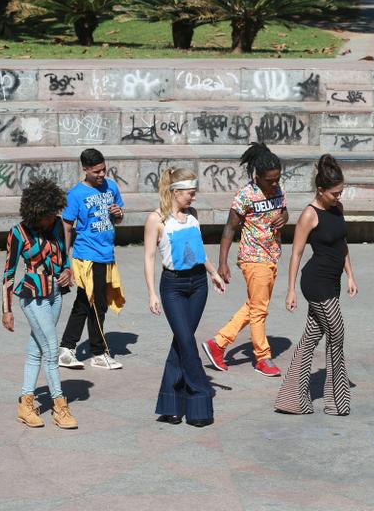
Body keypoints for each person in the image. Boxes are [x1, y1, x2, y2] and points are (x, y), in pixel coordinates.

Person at [275, 155, 357, 416]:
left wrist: (350, 275)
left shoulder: (338, 209)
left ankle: (291, 399)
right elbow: (296, 253)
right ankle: (336, 401)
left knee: (311, 337)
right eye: (334, 193)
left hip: (333, 281)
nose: (338, 197)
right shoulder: (309, 215)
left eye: (340, 192)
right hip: (315, 282)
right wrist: (289, 290)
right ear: (320, 190)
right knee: (337, 332)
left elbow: (342, 244)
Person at [143, 167, 226, 427]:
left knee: (182, 343)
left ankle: (171, 406)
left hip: (198, 284)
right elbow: (149, 257)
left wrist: (213, 273)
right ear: (176, 192)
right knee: (187, 343)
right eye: (190, 193)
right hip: (173, 287)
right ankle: (200, 402)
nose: (193, 197)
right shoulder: (156, 219)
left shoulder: (193, 216)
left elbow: (198, 251)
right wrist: (152, 293)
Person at [202, 142, 288, 377]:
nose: (274, 184)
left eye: (277, 179)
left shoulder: (278, 189)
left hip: (272, 255)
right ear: (257, 176)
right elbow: (229, 229)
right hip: (253, 257)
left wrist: (284, 218)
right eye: (269, 180)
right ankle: (263, 357)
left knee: (254, 305)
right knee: (259, 310)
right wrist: (222, 263)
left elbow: (283, 209)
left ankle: (217, 344)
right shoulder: (245, 196)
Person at [2, 179, 78, 429]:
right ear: (35, 212)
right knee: (52, 348)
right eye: (47, 215)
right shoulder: (18, 233)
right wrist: (7, 310)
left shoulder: (57, 226)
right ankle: (59, 406)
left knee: (37, 348)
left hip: (55, 294)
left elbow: (64, 256)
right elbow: (9, 273)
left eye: (54, 214)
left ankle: (25, 403)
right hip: (32, 297)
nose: (52, 219)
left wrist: (67, 271)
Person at [58, 148, 126, 370]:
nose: (102, 175)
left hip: (106, 254)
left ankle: (66, 349)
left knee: (85, 301)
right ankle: (98, 352)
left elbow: (118, 219)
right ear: (85, 169)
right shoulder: (76, 195)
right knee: (98, 303)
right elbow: (67, 229)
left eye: (104, 170)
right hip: (87, 255)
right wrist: (64, 262)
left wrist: (118, 215)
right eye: (96, 171)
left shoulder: (111, 187)